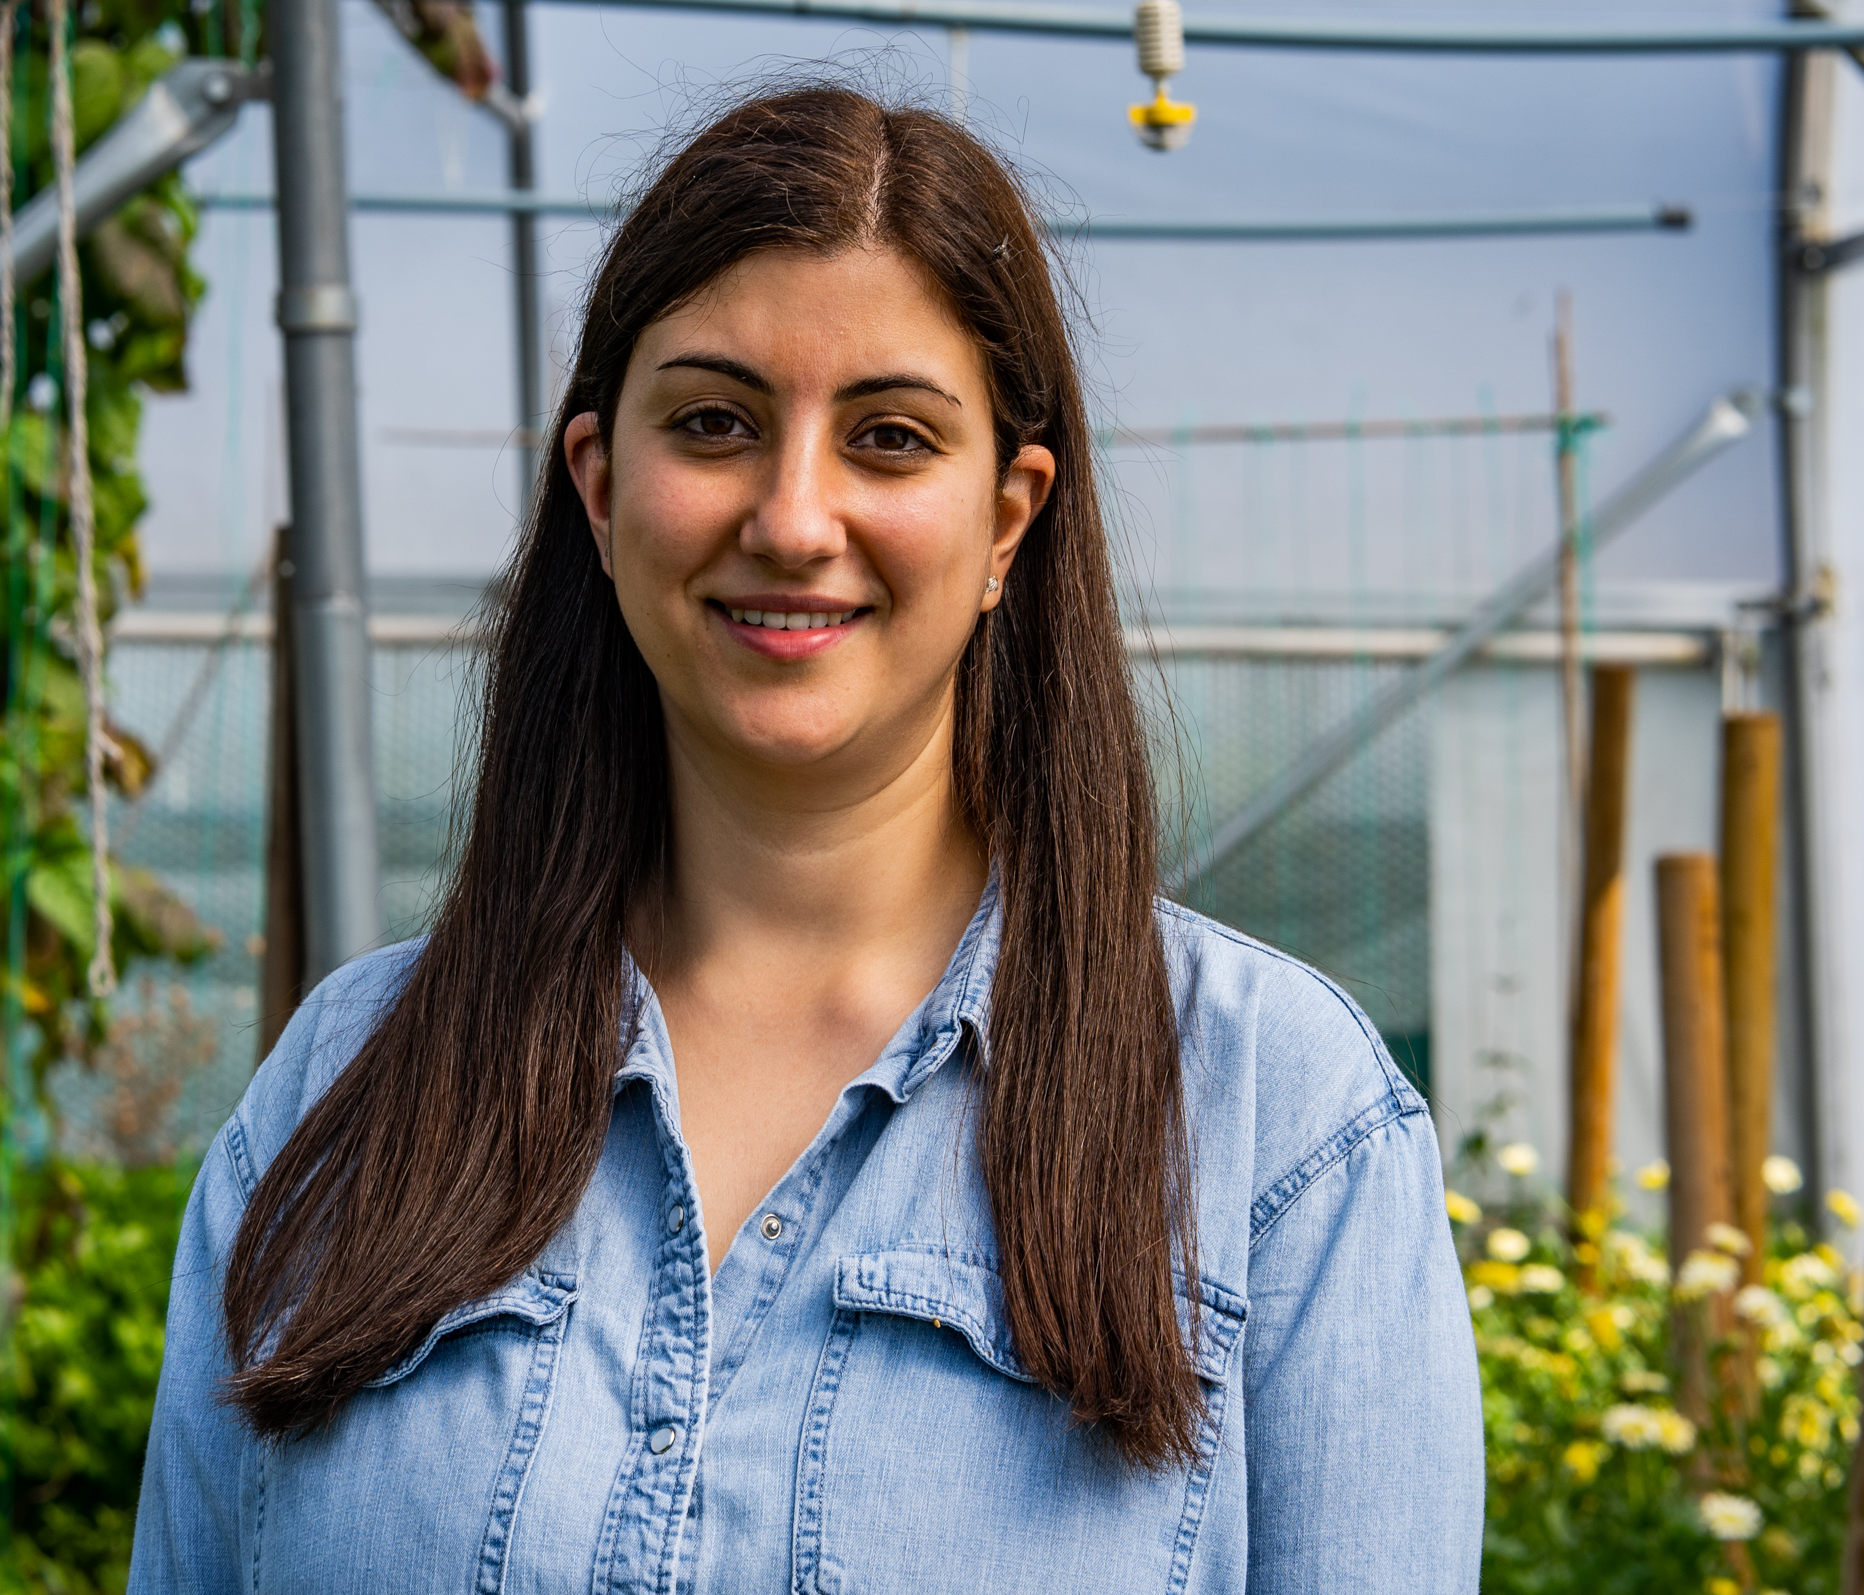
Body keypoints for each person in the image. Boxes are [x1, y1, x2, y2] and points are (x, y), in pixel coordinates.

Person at [129, 83, 1483, 1594]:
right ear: (597, 484)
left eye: (891, 440)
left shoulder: (1274, 1127)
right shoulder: (347, 1088)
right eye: (714, 423)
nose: (792, 515)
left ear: (1009, 520)